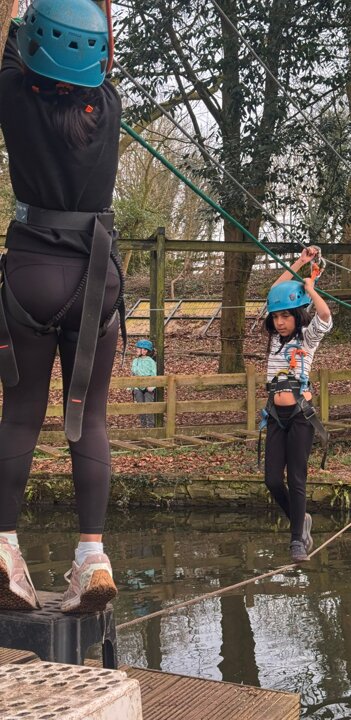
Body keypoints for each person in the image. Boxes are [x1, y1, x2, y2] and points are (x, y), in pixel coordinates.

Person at [0, 0, 122, 612]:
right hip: (95, 274)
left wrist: (20, 16)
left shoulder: (12, 97)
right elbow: (103, 60)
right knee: (90, 418)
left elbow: (12, 48)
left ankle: (3, 547)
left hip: (31, 270)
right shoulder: (109, 106)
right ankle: (92, 558)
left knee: (21, 414)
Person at [262, 247, 332, 563]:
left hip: (301, 416)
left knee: (297, 478)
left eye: (285, 316)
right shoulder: (274, 340)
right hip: (276, 415)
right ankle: (300, 519)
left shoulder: (307, 338)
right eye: (276, 317)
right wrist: (300, 262)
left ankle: (297, 542)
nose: (280, 322)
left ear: (297, 315)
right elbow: (275, 292)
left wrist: (310, 288)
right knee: (272, 480)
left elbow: (324, 315)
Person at [131, 339, 157, 428]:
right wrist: (133, 387)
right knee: (140, 407)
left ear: (145, 351)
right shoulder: (135, 361)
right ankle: (143, 426)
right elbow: (133, 374)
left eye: (139, 348)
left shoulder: (151, 362)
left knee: (148, 407)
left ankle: (150, 426)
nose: (137, 350)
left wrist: (152, 386)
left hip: (148, 386)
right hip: (138, 386)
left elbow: (154, 375)